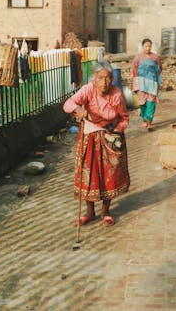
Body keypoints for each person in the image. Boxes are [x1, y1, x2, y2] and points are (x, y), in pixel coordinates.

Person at [63, 61, 130, 227]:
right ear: (94, 78)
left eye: (108, 78)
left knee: (110, 174)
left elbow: (124, 118)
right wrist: (78, 110)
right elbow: (68, 104)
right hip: (90, 137)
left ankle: (106, 211)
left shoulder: (116, 95)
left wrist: (115, 131)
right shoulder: (88, 89)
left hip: (110, 137)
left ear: (112, 79)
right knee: (89, 174)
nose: (104, 82)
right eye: (100, 78)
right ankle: (90, 212)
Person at [132, 38, 162, 131]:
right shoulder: (138, 57)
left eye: (149, 46)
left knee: (151, 102)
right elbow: (134, 69)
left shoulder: (155, 57)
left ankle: (149, 121)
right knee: (142, 102)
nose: (148, 48)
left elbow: (160, 68)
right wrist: (136, 82)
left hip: (152, 82)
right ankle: (145, 119)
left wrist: (155, 78)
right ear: (142, 47)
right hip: (141, 82)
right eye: (146, 46)